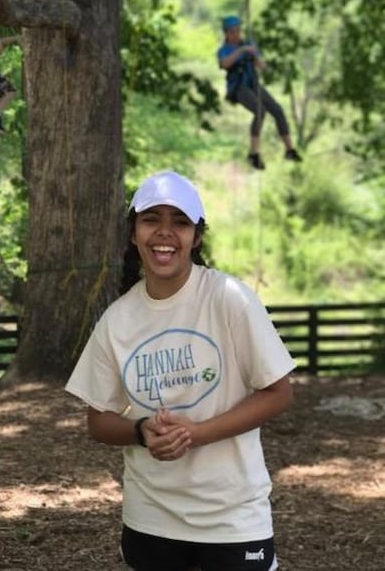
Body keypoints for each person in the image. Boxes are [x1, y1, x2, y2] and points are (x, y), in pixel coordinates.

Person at [65, 170, 295, 571]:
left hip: (232, 518)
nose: (164, 233)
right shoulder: (117, 320)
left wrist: (196, 433)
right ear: (134, 233)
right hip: (149, 518)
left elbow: (278, 392)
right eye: (152, 219)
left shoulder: (230, 299)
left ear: (197, 236)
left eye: (180, 222)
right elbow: (98, 421)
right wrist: (140, 431)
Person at [217, 15, 302, 170]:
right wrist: (242, 50)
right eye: (233, 32)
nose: (237, 34)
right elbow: (224, 63)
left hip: (253, 84)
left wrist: (256, 57)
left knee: (277, 110)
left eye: (238, 31)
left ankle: (289, 149)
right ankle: (254, 154)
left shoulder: (249, 44)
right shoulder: (224, 50)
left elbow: (261, 65)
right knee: (259, 111)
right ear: (227, 33)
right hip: (239, 88)